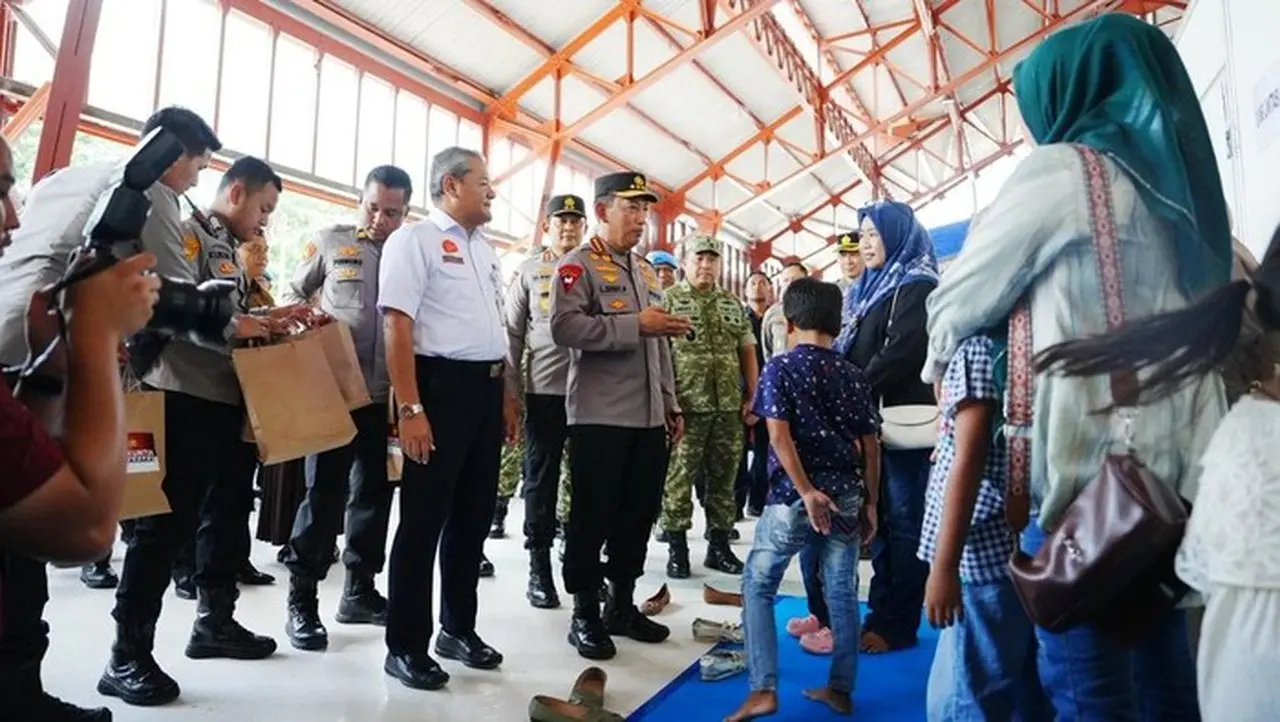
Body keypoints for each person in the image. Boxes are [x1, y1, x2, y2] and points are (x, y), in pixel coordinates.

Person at [922, 14, 1227, 718]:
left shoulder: (1067, 171)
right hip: (1175, 485)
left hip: (1089, 486)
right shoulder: (1182, 188)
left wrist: (944, 364)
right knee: (1167, 678)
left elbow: (960, 299)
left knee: (1090, 692)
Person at [0, 108, 219, 721]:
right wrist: (97, 337)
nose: (12, 220)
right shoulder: (145, 191)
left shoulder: (64, 180)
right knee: (51, 525)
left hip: (23, 346)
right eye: (198, 165)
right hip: (55, 340)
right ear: (170, 154)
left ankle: (18, 689)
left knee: (17, 538)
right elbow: (85, 533)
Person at [1034, 223, 1280, 722]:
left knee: (1127, 681)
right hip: (1165, 510)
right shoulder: (1208, 247)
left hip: (1154, 511)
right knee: (1136, 680)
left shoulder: (1252, 432)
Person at [98, 156, 285, 707]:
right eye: (263, 208)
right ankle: (127, 653)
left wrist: (270, 321)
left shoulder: (231, 249)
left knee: (227, 516)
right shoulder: (185, 235)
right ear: (237, 193)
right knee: (163, 527)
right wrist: (239, 327)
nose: (265, 221)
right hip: (182, 396)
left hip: (226, 399)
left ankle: (215, 622)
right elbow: (169, 309)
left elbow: (234, 314)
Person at [378, 147, 517, 691]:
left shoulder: (485, 249)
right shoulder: (414, 240)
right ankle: (405, 645)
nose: (492, 191)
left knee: (473, 518)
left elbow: (494, 328)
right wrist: (410, 408)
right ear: (452, 185)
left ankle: (457, 629)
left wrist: (505, 395)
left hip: (485, 389)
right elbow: (397, 326)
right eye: (483, 181)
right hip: (438, 389)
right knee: (423, 521)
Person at [550, 171, 690, 661]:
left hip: (649, 417)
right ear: (602, 211)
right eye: (631, 208)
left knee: (637, 516)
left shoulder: (646, 271)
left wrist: (670, 401)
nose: (640, 218)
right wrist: (635, 325)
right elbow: (565, 327)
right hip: (601, 416)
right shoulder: (577, 265)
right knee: (591, 517)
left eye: (644, 209)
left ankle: (622, 605)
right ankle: (584, 613)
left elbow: (660, 343)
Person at [729, 277, 880, 722]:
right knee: (842, 591)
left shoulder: (780, 368)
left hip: (792, 499)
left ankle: (763, 690)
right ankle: (840, 689)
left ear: (789, 323)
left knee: (758, 584)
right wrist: (871, 503)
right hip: (847, 496)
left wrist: (807, 491)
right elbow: (871, 446)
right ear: (839, 324)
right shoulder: (853, 374)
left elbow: (778, 436)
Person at [278, 165, 408, 652]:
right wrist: (306, 319)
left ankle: (359, 590)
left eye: (391, 212)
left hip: (385, 396)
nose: (380, 219)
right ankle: (302, 599)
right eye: (373, 208)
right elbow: (292, 292)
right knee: (324, 494)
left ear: (405, 212)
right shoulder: (331, 242)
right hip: (333, 391)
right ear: (361, 201)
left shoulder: (409, 252)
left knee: (375, 494)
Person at [917, 332, 1049, 720]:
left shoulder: (977, 349)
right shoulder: (1026, 338)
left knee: (973, 689)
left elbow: (969, 459)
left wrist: (944, 567)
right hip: (1016, 541)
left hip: (978, 549)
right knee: (1019, 677)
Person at [504, 193, 586, 609]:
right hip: (545, 392)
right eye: (560, 221)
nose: (568, 227)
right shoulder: (529, 271)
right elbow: (512, 334)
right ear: (547, 227)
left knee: (588, 481)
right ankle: (539, 564)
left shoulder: (596, 268)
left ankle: (581, 565)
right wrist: (510, 393)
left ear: (585, 227)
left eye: (575, 221)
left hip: (593, 394)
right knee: (541, 478)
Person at [659, 234, 758, 578]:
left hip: (727, 407)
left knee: (724, 480)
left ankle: (719, 546)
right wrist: (667, 401)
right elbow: (658, 355)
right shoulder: (668, 300)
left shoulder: (732, 303)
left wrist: (753, 396)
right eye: (699, 258)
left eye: (712, 259)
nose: (705, 265)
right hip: (686, 408)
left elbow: (747, 349)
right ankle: (677, 549)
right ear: (684, 262)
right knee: (678, 479)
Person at [242, 237, 307, 559]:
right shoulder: (231, 287)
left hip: (259, 390)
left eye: (266, 250)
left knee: (239, 490)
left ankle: (237, 559)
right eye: (254, 250)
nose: (263, 256)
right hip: (224, 385)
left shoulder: (261, 291)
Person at [739, 270, 771, 517]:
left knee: (765, 449)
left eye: (763, 283)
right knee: (736, 452)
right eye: (753, 283)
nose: (758, 287)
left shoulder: (778, 318)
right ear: (745, 290)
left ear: (770, 290)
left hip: (770, 394)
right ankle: (734, 504)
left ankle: (758, 501)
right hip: (742, 394)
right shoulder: (738, 319)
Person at [760, 261, 808, 360]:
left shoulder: (816, 311)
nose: (790, 284)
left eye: (795, 280)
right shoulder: (773, 313)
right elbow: (767, 349)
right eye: (786, 280)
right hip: (779, 367)